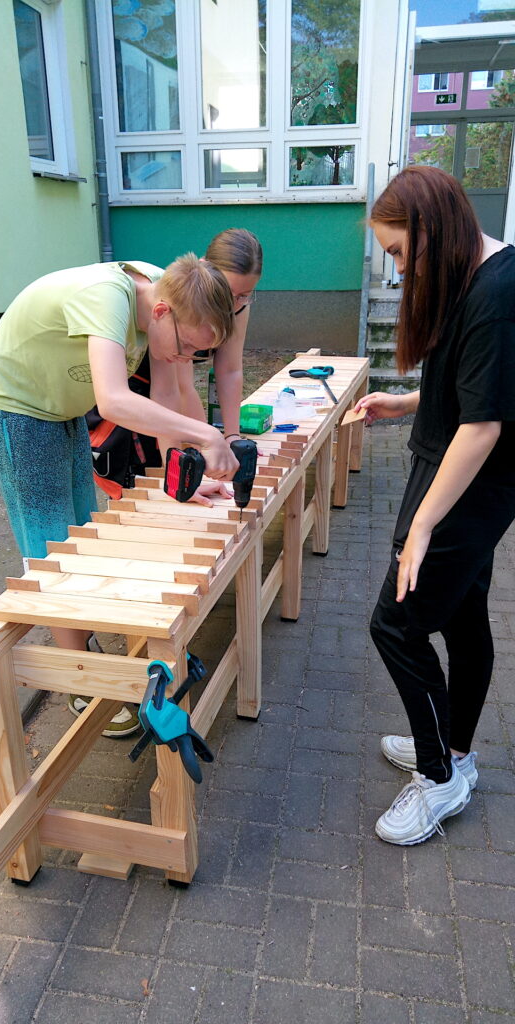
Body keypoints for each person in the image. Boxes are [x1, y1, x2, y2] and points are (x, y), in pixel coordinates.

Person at [0, 253, 239, 735]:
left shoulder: (165, 294)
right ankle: (80, 680)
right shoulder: (107, 300)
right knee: (50, 544)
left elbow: (164, 398)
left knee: (80, 532)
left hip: (61, 406)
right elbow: (114, 400)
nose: (185, 360)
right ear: (162, 313)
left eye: (196, 355)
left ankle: (82, 646)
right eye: (186, 348)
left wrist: (180, 476)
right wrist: (207, 435)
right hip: (17, 406)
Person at [354, 165, 515, 845]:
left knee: (395, 624)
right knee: (464, 616)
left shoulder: (499, 290)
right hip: (454, 471)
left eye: (399, 252)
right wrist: (408, 402)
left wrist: (422, 525)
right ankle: (454, 750)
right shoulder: (470, 272)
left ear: (431, 227)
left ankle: (439, 775)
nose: (398, 270)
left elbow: (483, 426)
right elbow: (477, 384)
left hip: (467, 485)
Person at [86, 228, 263, 503]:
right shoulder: (175, 303)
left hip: (157, 395)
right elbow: (177, 389)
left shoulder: (237, 305)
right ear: (206, 270)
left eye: (244, 295)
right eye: (229, 293)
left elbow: (229, 370)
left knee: (176, 467)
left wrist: (231, 438)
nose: (232, 304)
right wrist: (202, 447)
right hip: (134, 392)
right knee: (137, 482)